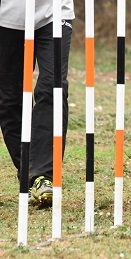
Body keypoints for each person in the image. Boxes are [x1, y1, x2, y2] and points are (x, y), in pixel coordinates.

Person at [0, 0, 74, 208]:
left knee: (53, 88)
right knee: (10, 99)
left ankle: (42, 176)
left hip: (54, 13)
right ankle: (29, 171)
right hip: (6, 19)